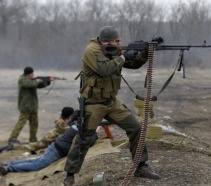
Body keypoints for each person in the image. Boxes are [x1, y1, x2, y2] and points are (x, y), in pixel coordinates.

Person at [63, 26, 160, 186]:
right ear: (107, 41)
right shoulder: (92, 51)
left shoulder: (112, 49)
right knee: (83, 139)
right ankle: (70, 176)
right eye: (116, 40)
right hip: (94, 104)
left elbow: (134, 63)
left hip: (112, 102)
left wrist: (144, 53)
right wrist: (122, 57)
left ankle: (141, 165)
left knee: (136, 128)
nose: (119, 42)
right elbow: (105, 69)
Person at [0, 121, 98, 175]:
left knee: (35, 160)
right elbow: (90, 141)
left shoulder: (77, 124)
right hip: (57, 151)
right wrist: (95, 132)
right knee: (37, 165)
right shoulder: (85, 130)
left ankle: (8, 164)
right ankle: (8, 168)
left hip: (55, 147)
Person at [8, 66, 56, 144]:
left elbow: (39, 86)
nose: (32, 75)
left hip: (33, 106)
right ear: (28, 74)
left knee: (34, 124)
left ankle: (33, 139)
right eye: (31, 74)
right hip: (26, 106)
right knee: (21, 123)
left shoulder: (32, 80)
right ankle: (12, 138)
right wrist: (37, 81)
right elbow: (28, 84)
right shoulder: (22, 79)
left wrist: (48, 81)